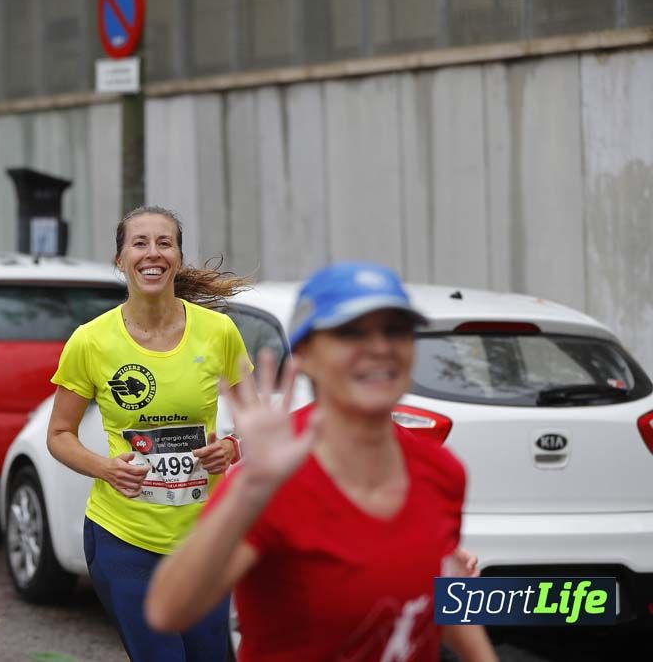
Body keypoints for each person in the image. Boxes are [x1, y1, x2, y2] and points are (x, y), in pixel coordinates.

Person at [145, 261, 497, 661]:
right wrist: (251, 489)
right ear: (306, 355)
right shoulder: (272, 478)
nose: (380, 348)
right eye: (351, 333)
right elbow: (169, 610)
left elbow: (432, 601)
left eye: (395, 330)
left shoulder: (442, 471)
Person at [47, 206, 253, 661]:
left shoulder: (218, 332)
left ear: (178, 257)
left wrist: (233, 447)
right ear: (120, 259)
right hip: (125, 541)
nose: (152, 253)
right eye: (139, 243)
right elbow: (59, 433)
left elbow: (257, 420)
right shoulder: (91, 340)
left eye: (165, 242)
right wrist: (105, 468)